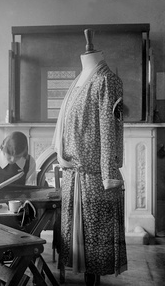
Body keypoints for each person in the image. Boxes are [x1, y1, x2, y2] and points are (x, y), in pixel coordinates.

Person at [52, 30, 127, 285]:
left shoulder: (106, 81)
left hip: (94, 180)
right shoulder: (78, 81)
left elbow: (108, 128)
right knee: (80, 248)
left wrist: (108, 175)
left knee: (94, 247)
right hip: (74, 176)